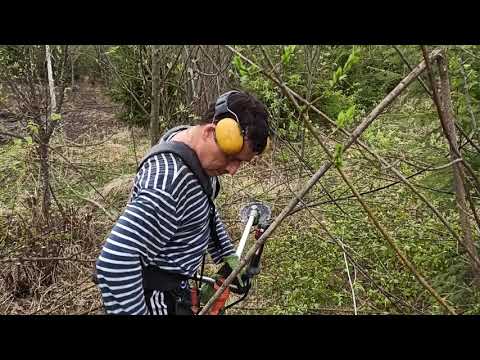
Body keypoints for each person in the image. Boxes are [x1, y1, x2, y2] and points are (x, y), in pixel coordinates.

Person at [95, 90, 270, 315]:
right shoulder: (169, 183)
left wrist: (227, 254)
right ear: (210, 132)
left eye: (241, 162)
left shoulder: (189, 148)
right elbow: (115, 263)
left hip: (178, 290)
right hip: (156, 300)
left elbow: (203, 207)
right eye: (231, 158)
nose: (233, 170)